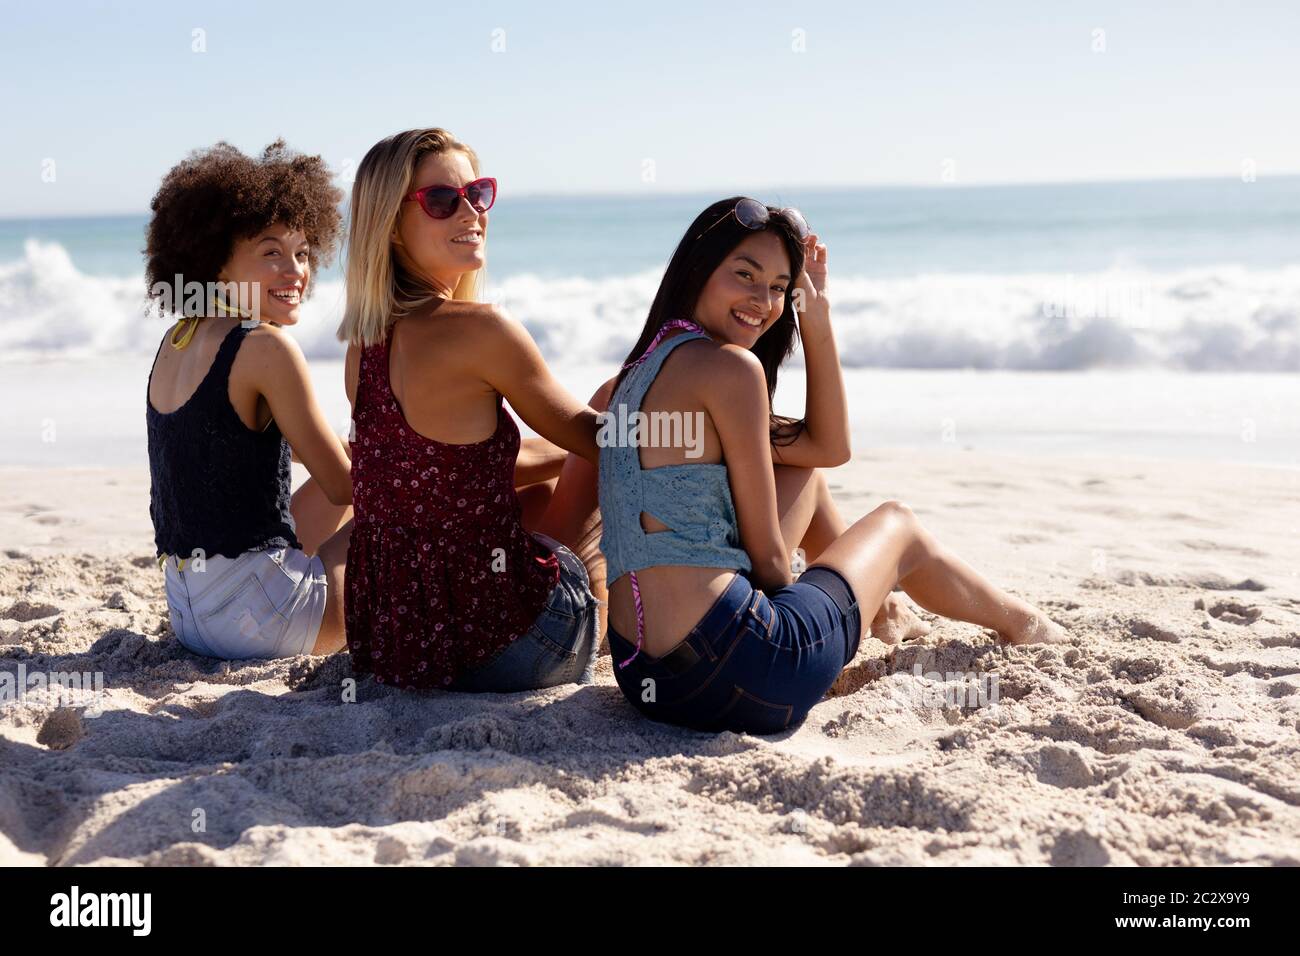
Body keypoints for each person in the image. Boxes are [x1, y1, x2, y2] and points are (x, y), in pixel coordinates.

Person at [600, 197, 1069, 734]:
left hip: (647, 683)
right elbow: (771, 562)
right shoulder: (730, 369)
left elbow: (824, 450)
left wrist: (812, 315)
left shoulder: (635, 376)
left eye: (779, 288)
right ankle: (1024, 623)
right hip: (744, 673)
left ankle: (883, 613)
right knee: (900, 525)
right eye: (745, 275)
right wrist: (794, 594)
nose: (763, 300)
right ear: (698, 269)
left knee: (803, 475)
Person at [338, 128, 605, 692]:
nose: (470, 212)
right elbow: (607, 445)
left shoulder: (364, 344)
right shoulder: (484, 330)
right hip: (510, 651)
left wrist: (562, 459)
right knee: (614, 407)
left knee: (532, 498)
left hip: (400, 646)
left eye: (478, 193)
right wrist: (710, 420)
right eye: (441, 201)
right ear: (388, 225)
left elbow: (447, 473)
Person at [145, 141, 353, 660]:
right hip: (266, 621)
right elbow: (347, 485)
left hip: (191, 618)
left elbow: (230, 448)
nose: (295, 271)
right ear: (214, 263)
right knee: (410, 516)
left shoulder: (178, 339)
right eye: (270, 252)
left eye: (303, 253)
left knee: (327, 493)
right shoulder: (265, 346)